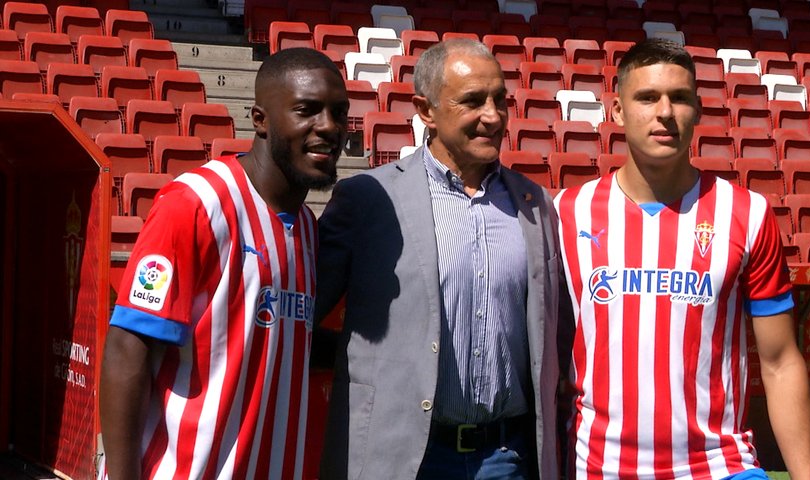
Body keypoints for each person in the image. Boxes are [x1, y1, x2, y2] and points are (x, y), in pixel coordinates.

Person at [554, 38, 810, 479]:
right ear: (617, 111)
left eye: (679, 98)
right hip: (600, 468)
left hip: (720, 466)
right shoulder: (565, 214)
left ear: (697, 109)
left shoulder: (748, 214)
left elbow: (780, 361)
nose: (664, 112)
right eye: (646, 97)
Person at [314, 38, 567, 479]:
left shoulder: (535, 204)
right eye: (473, 101)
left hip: (504, 458)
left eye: (499, 100)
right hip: (403, 456)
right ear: (426, 110)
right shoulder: (369, 200)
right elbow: (304, 313)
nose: (493, 116)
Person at [99, 47, 349, 479]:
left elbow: (282, 341)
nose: (328, 127)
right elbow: (127, 348)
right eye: (307, 110)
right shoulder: (195, 203)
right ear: (260, 119)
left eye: (339, 112)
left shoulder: (308, 228)